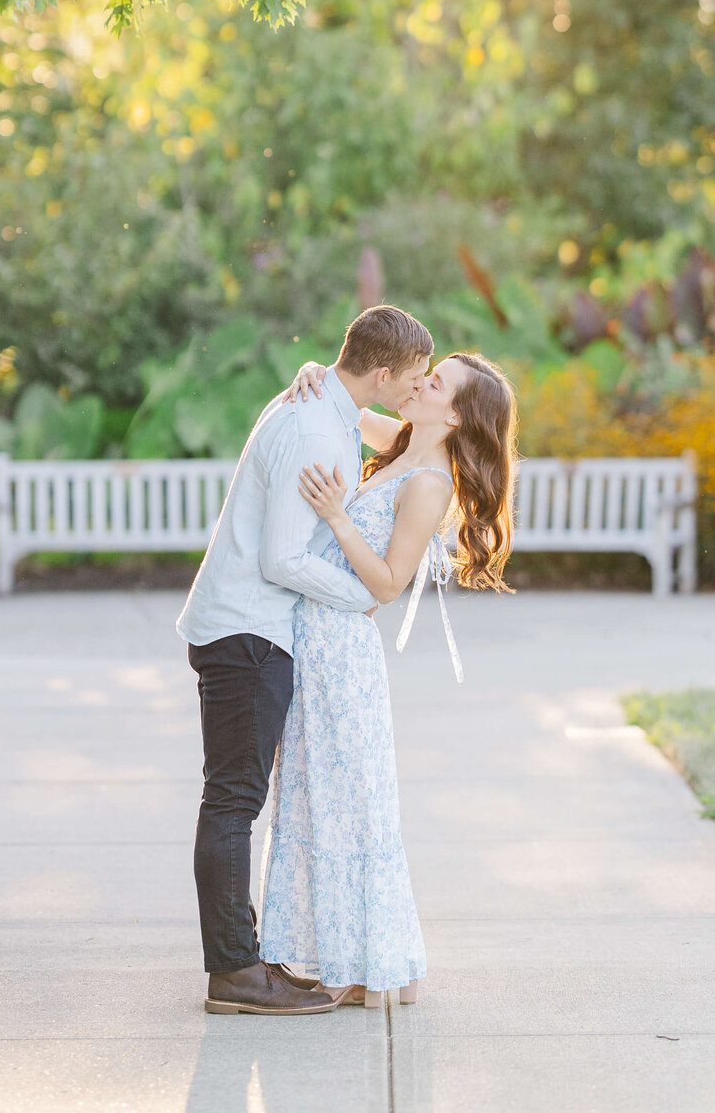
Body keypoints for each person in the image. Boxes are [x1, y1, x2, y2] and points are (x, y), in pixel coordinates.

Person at [175, 304, 434, 1016]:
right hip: (247, 634)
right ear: (381, 372)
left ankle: (247, 962)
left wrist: (317, 369)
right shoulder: (319, 427)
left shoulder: (329, 408)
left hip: (251, 629)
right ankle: (234, 972)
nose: (417, 389)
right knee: (233, 800)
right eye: (412, 377)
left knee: (235, 797)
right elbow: (283, 557)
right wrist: (358, 596)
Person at [258, 349, 517, 1008]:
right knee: (312, 796)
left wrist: (339, 518)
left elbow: (390, 584)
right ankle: (325, 953)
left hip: (344, 654)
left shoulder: (428, 480)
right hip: (311, 643)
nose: (420, 383)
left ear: (454, 413)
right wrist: (313, 371)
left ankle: (359, 962)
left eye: (435, 383)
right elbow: (345, 403)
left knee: (349, 805)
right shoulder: (399, 440)